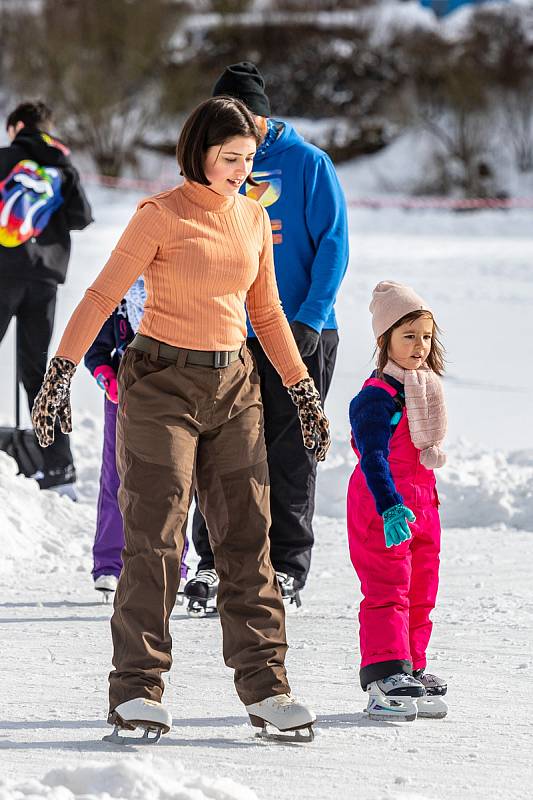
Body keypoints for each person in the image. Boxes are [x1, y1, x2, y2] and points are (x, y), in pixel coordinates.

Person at [32, 97, 330, 742]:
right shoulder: (159, 216)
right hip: (160, 384)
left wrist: (302, 391)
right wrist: (59, 372)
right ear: (198, 152)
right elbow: (102, 295)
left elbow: (269, 313)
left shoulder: (252, 217)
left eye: (249, 160)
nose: (241, 171)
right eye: (230, 158)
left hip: (235, 385)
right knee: (157, 536)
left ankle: (269, 689)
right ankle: (137, 691)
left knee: (248, 541)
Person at [189, 61, 349, 611]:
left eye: (240, 122)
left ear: (261, 117)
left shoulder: (309, 164)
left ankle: (286, 566)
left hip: (303, 328)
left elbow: (333, 245)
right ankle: (213, 563)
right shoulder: (214, 166)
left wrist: (310, 316)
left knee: (289, 449)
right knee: (219, 448)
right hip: (230, 330)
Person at [347, 281, 449, 722]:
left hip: (422, 505)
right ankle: (385, 673)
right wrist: (389, 505)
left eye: (425, 335)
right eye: (408, 336)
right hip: (381, 506)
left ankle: (412, 664)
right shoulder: (377, 396)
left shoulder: (422, 388)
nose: (420, 346)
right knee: (389, 590)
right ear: (384, 339)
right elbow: (370, 456)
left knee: (422, 591)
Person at [0, 101, 93, 496]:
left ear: (17, 126)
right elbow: (81, 217)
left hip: (3, 273)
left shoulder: (4, 158)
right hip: (44, 282)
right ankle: (58, 467)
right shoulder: (63, 165)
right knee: (38, 371)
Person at [83, 278, 191, 601]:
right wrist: (108, 378)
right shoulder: (117, 295)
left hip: (173, 392)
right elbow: (95, 349)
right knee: (117, 476)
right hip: (125, 397)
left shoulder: (181, 290)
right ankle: (109, 564)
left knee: (176, 478)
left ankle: (175, 564)